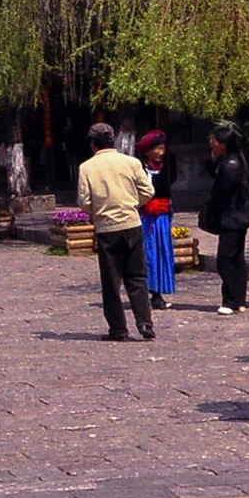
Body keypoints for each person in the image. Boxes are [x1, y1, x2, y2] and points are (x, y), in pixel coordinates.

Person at [76, 123, 156, 341]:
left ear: (93, 144)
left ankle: (118, 329)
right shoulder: (131, 162)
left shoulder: (87, 168)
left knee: (111, 282)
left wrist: (98, 211)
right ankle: (145, 323)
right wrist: (132, 204)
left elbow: (84, 202)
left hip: (107, 228)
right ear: (113, 141)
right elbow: (148, 190)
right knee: (137, 276)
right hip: (132, 224)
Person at [200, 125, 249, 314]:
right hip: (236, 216)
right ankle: (239, 299)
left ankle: (230, 300)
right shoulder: (229, 161)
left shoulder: (231, 165)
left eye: (215, 141)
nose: (212, 144)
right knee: (236, 258)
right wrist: (213, 161)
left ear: (223, 144)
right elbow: (213, 173)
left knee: (225, 259)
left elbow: (221, 193)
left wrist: (210, 212)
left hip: (232, 217)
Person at [137, 131, 177, 311]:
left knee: (163, 251)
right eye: (158, 149)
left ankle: (159, 291)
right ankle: (150, 290)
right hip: (147, 217)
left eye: (163, 149)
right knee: (150, 251)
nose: (161, 153)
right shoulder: (141, 169)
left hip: (163, 216)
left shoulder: (166, 167)